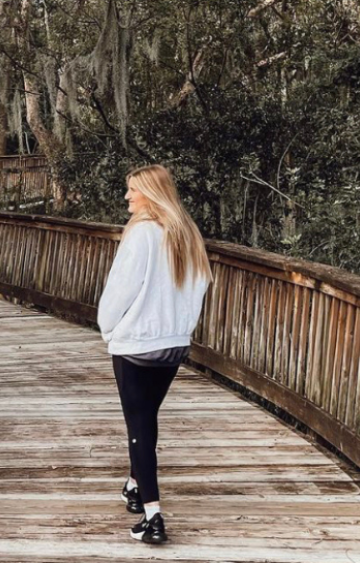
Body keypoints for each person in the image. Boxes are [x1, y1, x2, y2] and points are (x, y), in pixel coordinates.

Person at [97, 164, 211, 545]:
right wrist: (183, 330)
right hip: (173, 345)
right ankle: (133, 483)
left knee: (138, 427)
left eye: (134, 190)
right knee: (146, 418)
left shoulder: (142, 234)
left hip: (136, 346)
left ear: (151, 193)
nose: (128, 197)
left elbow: (120, 290)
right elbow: (199, 288)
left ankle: (153, 516)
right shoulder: (188, 234)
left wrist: (109, 328)